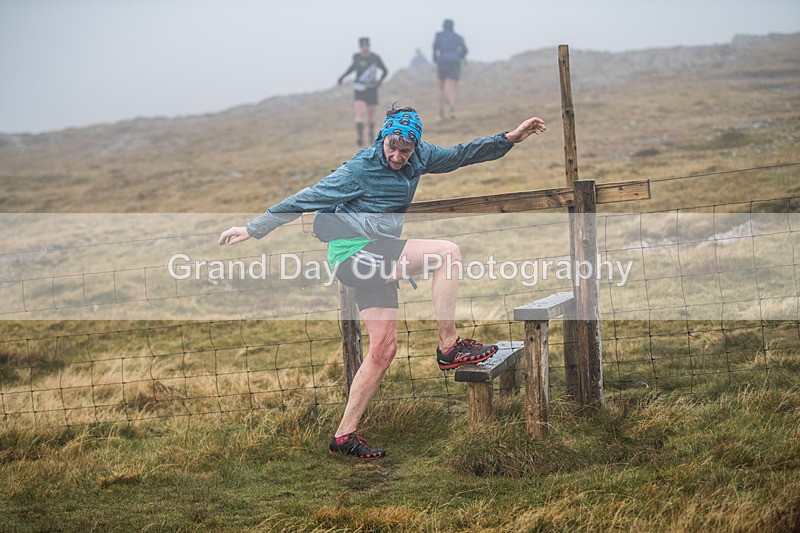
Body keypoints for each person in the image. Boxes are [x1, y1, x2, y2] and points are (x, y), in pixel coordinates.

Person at [218, 105, 547, 459]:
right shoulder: (360, 168)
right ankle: (449, 348)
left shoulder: (420, 157)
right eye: (392, 145)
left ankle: (343, 437)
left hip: (377, 253)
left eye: (405, 150)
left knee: (383, 350)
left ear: (416, 146)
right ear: (383, 136)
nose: (396, 155)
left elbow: (461, 154)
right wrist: (253, 229)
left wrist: (509, 139)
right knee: (447, 253)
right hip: (353, 255)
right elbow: (306, 198)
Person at [338, 37, 389, 147]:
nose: (365, 48)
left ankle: (371, 134)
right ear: (360, 47)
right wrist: (342, 77)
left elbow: (385, 70)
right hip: (359, 89)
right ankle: (360, 137)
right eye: (363, 46)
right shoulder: (356, 57)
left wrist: (379, 82)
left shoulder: (375, 58)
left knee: (371, 115)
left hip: (372, 89)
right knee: (360, 112)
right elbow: (351, 68)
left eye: (366, 46)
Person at [433, 19, 468, 119]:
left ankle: (441, 110)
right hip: (454, 61)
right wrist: (459, 56)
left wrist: (435, 58)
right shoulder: (457, 37)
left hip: (442, 61)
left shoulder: (439, 36)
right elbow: (465, 50)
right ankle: (452, 108)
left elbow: (435, 47)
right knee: (452, 85)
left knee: (441, 86)